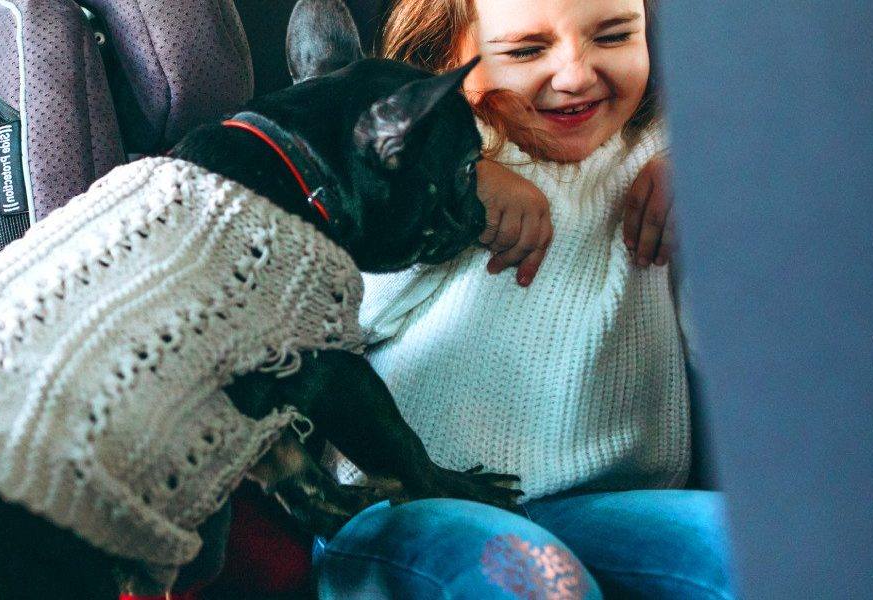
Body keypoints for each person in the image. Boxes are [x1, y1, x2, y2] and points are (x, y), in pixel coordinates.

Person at [315, 1, 736, 598]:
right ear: (446, 61)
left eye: (614, 36)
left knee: (751, 550)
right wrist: (446, 189)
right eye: (526, 51)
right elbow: (321, 328)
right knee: (539, 585)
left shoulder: (664, 164)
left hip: (606, 507)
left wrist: (717, 194)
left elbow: (740, 353)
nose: (575, 75)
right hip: (410, 505)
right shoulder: (409, 167)